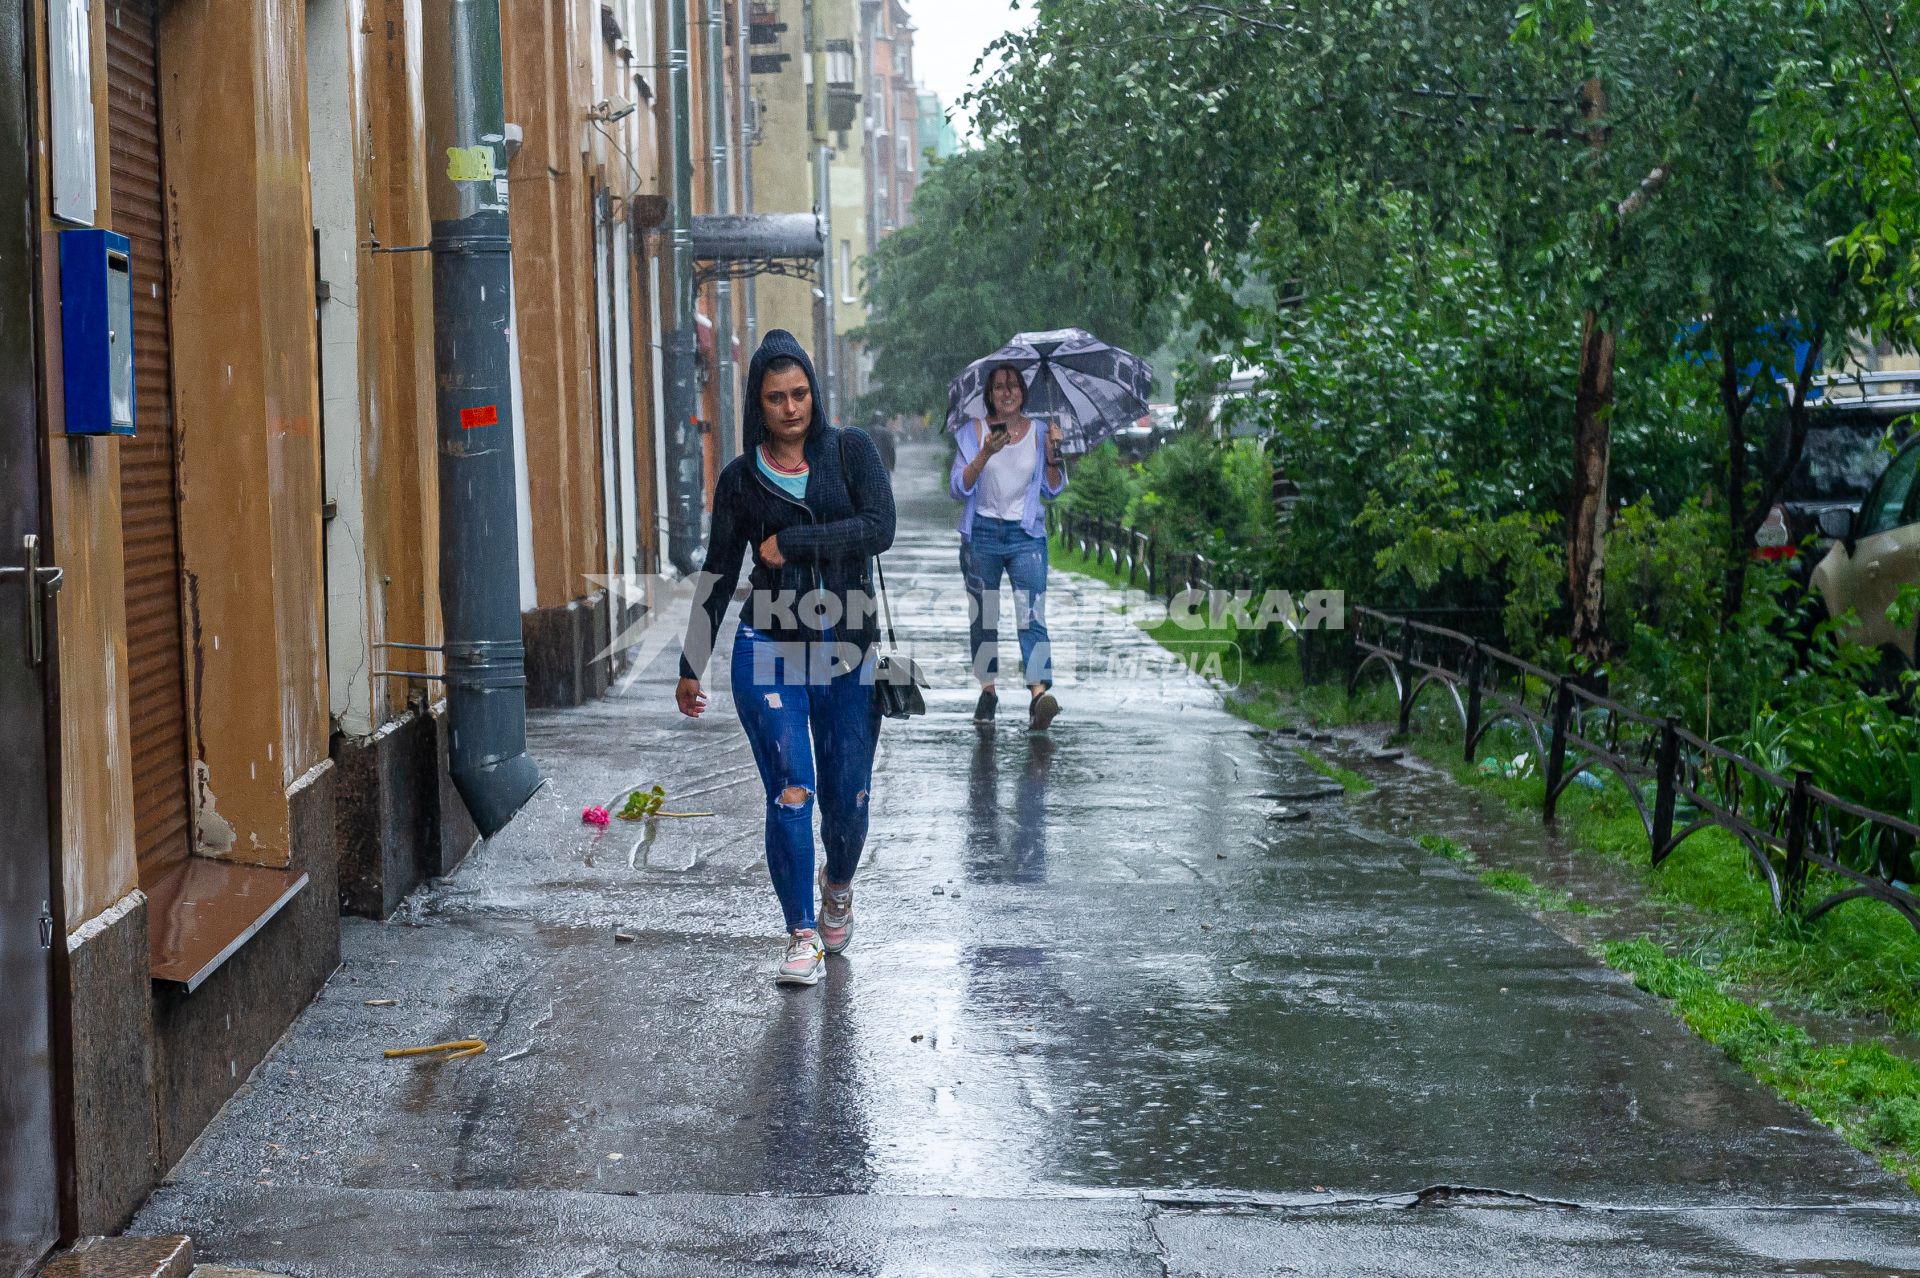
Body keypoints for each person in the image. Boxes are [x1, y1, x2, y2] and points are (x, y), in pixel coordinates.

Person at [676, 330, 896, 987]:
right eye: (776, 398)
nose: (791, 407)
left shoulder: (851, 452)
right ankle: (802, 934)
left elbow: (878, 527)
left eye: (799, 393)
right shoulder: (740, 480)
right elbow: (718, 572)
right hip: (767, 645)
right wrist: (692, 662)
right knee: (792, 791)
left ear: (814, 395)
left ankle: (838, 882)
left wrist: (794, 542)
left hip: (848, 647)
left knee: (848, 801)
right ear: (758, 404)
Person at [950, 363, 1066, 731]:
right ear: (990, 394)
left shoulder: (1041, 432)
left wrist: (1052, 453)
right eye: (999, 386)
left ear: (1023, 392)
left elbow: (1053, 488)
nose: (1007, 392)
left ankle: (1038, 696)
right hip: (982, 534)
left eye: (1014, 385)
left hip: (1026, 535)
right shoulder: (973, 432)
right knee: (984, 618)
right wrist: (985, 452)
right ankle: (988, 690)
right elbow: (958, 487)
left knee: (1031, 614)